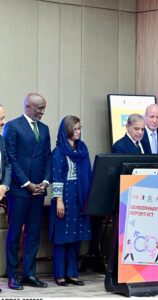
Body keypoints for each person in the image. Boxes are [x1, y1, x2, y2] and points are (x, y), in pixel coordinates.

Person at [3, 93, 52, 290]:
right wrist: (27, 183)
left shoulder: (45, 129)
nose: (42, 112)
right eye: (39, 108)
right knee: (15, 233)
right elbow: (11, 159)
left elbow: (48, 157)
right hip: (19, 191)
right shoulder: (13, 127)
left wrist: (46, 182)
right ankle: (12, 275)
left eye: (43, 108)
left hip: (39, 191)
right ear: (28, 107)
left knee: (33, 233)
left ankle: (29, 274)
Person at [50, 115, 92, 286]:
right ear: (66, 130)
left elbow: (88, 173)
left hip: (80, 197)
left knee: (75, 236)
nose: (78, 132)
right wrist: (59, 200)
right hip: (64, 197)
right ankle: (60, 274)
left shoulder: (82, 149)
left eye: (79, 128)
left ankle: (72, 273)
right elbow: (57, 176)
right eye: (75, 129)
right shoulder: (59, 152)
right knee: (62, 237)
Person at [0, 104, 11, 293]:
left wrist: (4, 185)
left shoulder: (2, 139)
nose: (3, 122)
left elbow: (7, 164)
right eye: (0, 118)